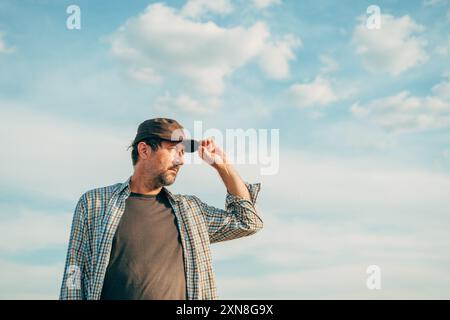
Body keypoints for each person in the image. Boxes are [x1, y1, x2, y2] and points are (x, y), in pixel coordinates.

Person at [59, 118, 263, 300]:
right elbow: (74, 271)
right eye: (174, 150)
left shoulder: (191, 211)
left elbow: (248, 222)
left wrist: (224, 166)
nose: (181, 160)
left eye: (183, 153)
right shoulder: (95, 203)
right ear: (145, 150)